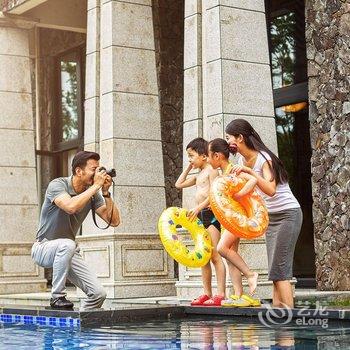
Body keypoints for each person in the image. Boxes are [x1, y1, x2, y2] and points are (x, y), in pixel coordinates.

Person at [225, 119, 302, 308]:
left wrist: (250, 172)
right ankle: (279, 319)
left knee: (280, 271)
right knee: (275, 273)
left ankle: (290, 321)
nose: (228, 143)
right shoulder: (242, 161)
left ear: (240, 138)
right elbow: (247, 189)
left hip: (287, 214)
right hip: (271, 218)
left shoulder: (264, 158)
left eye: (229, 138)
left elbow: (270, 189)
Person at [31, 151, 120, 309]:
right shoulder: (58, 185)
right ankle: (57, 297)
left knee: (98, 294)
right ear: (79, 171)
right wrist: (96, 186)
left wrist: (105, 192)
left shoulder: (92, 194)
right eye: (94, 169)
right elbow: (71, 207)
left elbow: (114, 221)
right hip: (43, 247)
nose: (98, 173)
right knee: (67, 244)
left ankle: (80, 324)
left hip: (68, 251)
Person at [207, 138, 260, 306]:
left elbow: (253, 180)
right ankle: (239, 294)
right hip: (227, 219)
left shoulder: (232, 170)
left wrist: (239, 194)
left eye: (208, 156)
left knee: (221, 248)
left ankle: (250, 274)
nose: (208, 160)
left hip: (236, 218)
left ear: (217, 156)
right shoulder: (222, 175)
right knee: (231, 256)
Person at [175, 137, 226, 306]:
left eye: (191, 156)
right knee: (204, 257)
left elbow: (213, 195)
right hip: (200, 217)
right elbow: (178, 184)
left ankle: (220, 294)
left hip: (210, 216)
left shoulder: (212, 171)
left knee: (215, 256)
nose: (189, 159)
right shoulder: (198, 175)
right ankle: (207, 293)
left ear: (204, 156)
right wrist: (189, 167)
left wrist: (197, 208)